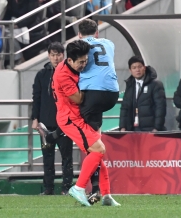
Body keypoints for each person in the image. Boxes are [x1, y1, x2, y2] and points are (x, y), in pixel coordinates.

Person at [38, 18, 119, 202]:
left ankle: (105, 195)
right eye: (80, 63)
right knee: (98, 149)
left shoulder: (75, 67)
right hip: (70, 119)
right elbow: (80, 98)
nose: (84, 66)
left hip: (76, 116)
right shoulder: (63, 74)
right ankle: (78, 188)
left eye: (85, 61)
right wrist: (92, 86)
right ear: (70, 60)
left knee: (95, 152)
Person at [31, 42, 73, 195]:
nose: (56, 58)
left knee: (67, 158)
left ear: (64, 55)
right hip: (45, 123)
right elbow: (36, 97)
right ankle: (48, 188)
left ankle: (66, 188)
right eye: (53, 55)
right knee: (47, 158)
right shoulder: (42, 75)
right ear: (48, 56)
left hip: (65, 123)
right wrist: (34, 118)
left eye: (59, 54)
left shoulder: (70, 73)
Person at [119, 55, 166, 132]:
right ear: (130, 71)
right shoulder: (130, 85)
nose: (137, 70)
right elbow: (125, 107)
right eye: (134, 68)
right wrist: (122, 127)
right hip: (133, 129)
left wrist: (157, 128)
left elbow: (160, 107)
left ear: (144, 67)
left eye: (139, 67)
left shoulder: (156, 84)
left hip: (150, 129)